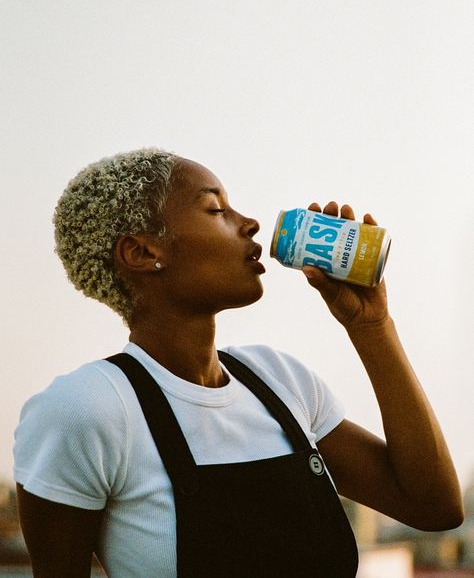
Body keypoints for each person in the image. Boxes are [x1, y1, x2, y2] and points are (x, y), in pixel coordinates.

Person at [14, 148, 463, 578]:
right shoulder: (86, 409)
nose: (249, 224)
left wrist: (371, 325)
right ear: (144, 253)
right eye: (215, 210)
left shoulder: (280, 380)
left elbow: (433, 506)